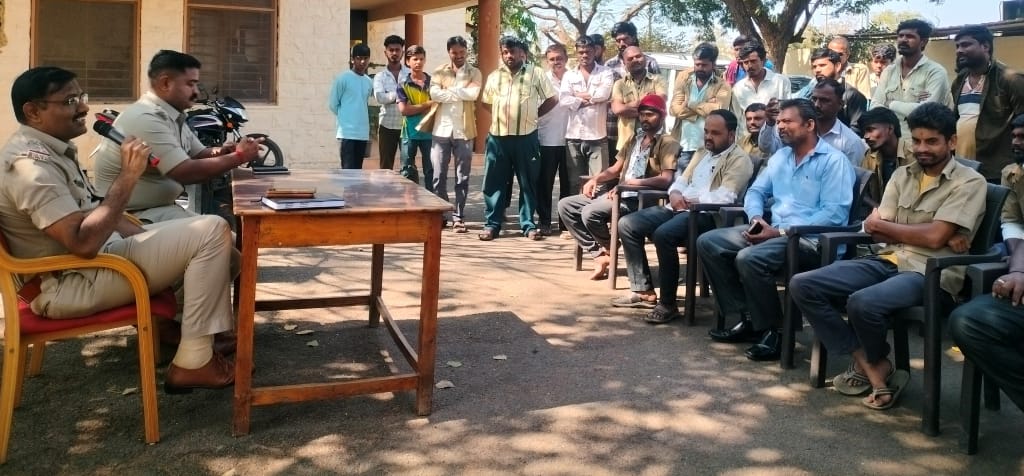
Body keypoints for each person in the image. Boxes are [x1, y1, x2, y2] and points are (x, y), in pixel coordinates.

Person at [2, 66, 236, 391]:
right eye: (70, 101)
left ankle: (179, 331)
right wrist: (128, 176)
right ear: (33, 111)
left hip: (93, 263)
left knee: (229, 251)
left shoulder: (53, 151)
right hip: (68, 284)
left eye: (81, 97)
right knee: (211, 230)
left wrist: (148, 238)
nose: (83, 107)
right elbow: (82, 243)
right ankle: (194, 361)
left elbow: (91, 212)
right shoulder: (31, 167)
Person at [789, 102, 986, 410]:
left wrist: (906, 230)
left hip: (930, 272)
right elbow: (875, 229)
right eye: (917, 140)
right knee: (803, 284)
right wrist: (924, 232)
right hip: (888, 258)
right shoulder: (903, 175)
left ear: (951, 142)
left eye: (932, 141)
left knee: (862, 302)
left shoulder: (970, 181)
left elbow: (932, 238)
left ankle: (872, 367)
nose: (922, 148)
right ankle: (871, 363)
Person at [698, 98, 854, 362]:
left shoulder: (833, 161)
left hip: (811, 242)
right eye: (779, 121)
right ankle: (750, 318)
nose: (780, 126)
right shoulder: (780, 157)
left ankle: (777, 332)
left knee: (749, 258)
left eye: (787, 121)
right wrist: (757, 218)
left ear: (809, 125)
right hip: (775, 233)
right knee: (710, 242)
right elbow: (756, 191)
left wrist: (782, 233)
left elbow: (834, 214)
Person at [613, 109, 753, 324]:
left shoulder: (739, 159)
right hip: (678, 208)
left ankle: (667, 304)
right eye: (706, 131)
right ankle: (643, 289)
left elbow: (725, 197)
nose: (708, 137)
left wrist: (688, 200)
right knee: (628, 224)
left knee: (664, 234)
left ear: (731, 135)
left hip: (707, 215)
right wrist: (676, 194)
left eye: (715, 133)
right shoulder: (701, 153)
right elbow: (680, 181)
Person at [91, 50, 263, 224]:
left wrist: (224, 152)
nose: (196, 92)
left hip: (160, 209)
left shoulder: (173, 116)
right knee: (217, 226)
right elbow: (186, 172)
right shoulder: (146, 118)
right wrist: (239, 156)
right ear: (166, 83)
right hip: (129, 217)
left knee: (229, 234)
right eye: (190, 84)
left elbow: (199, 154)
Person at [558, 94, 678, 280]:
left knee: (590, 213)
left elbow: (666, 179)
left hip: (639, 200)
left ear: (662, 116)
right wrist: (596, 179)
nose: (645, 119)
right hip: (619, 194)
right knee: (566, 205)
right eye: (642, 114)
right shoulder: (634, 139)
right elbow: (615, 169)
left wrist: (634, 183)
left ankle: (608, 248)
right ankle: (601, 253)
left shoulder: (668, 142)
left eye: (650, 115)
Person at [950, 114, 1024, 413]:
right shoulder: (1013, 173)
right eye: (1015, 136)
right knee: (968, 321)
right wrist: (1018, 266)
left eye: (1023, 137)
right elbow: (1013, 222)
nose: (1016, 143)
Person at [478, 36, 558, 241]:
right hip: (498, 138)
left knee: (528, 182)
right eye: (505, 52)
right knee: (494, 182)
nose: (509, 56)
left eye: (512, 51)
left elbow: (552, 99)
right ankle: (492, 224)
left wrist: (533, 115)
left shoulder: (536, 73)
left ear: (522, 53)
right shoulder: (494, 76)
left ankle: (528, 225)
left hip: (526, 137)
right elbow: (486, 103)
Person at [951, 24, 1024, 181]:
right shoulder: (959, 81)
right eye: (957, 46)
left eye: (966, 45)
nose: (959, 50)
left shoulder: (1010, 79)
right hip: (963, 166)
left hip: (997, 168)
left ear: (985, 46)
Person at [429, 36, 481, 233]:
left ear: (466, 51)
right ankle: (442, 215)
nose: (458, 56)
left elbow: (473, 94)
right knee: (438, 176)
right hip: (441, 130)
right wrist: (460, 92)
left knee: (462, 177)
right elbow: (434, 94)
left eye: (461, 52)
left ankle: (458, 217)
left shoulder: (474, 72)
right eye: (454, 52)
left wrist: (448, 91)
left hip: (464, 131)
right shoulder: (439, 71)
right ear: (448, 52)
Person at [870, 19, 953, 137]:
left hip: (921, 141)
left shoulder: (935, 72)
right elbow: (875, 106)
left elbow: (925, 113)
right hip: (891, 139)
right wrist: (912, 106)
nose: (903, 40)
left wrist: (891, 104)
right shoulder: (889, 71)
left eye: (910, 36)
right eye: (900, 36)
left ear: (923, 42)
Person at [760, 79, 867, 166]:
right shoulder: (795, 129)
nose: (817, 105)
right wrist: (769, 123)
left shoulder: (851, 142)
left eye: (824, 100)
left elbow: (850, 179)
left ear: (840, 104)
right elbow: (766, 147)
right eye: (814, 99)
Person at [561, 35, 616, 191]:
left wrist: (577, 96)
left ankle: (595, 208)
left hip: (597, 137)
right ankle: (576, 208)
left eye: (588, 51)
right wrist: (590, 99)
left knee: (598, 184)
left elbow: (604, 94)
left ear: (594, 51)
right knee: (575, 183)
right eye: (581, 52)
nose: (584, 55)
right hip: (573, 138)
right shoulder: (569, 75)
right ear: (576, 53)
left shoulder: (605, 72)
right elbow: (564, 99)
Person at [670, 42, 731, 171]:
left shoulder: (722, 85)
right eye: (697, 64)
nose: (700, 68)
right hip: (684, 147)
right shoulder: (685, 79)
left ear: (713, 65)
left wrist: (690, 104)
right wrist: (706, 105)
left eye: (704, 65)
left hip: (708, 148)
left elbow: (719, 111)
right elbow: (674, 109)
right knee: (679, 182)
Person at [537, 44, 573, 237]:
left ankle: (565, 224)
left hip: (571, 138)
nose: (556, 62)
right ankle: (544, 221)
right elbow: (535, 109)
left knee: (568, 184)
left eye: (559, 58)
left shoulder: (574, 77)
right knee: (545, 183)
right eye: (552, 59)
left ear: (566, 58)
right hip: (547, 138)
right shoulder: (541, 79)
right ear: (547, 61)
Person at [794, 47, 868, 133]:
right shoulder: (810, 93)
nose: (817, 70)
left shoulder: (852, 95)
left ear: (837, 66)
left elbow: (857, 130)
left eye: (822, 65)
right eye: (814, 67)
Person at [612, 45, 667, 157]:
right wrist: (643, 103)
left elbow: (659, 104)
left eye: (638, 56)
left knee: (653, 169)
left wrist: (627, 108)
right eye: (630, 58)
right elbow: (617, 109)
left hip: (654, 142)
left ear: (645, 58)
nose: (635, 60)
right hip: (626, 143)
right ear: (625, 63)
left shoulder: (658, 80)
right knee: (624, 169)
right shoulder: (619, 84)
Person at [328, 43, 373, 169]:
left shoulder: (368, 81)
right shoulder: (343, 78)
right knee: (348, 172)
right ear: (352, 59)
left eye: (365, 58)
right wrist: (346, 117)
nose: (362, 61)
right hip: (347, 133)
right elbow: (333, 104)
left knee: (358, 171)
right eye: (359, 58)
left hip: (362, 133)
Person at [858, 107, 913, 208]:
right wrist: (880, 210)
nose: (866, 136)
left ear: (890, 129)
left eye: (870, 130)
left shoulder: (914, 156)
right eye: (864, 132)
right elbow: (861, 190)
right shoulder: (870, 156)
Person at [396, 45, 435, 189]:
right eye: (415, 59)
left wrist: (414, 108)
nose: (418, 62)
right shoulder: (403, 84)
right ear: (407, 61)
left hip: (429, 133)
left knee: (431, 170)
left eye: (421, 59)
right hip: (409, 133)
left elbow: (437, 107)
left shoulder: (433, 83)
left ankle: (433, 201)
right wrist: (428, 104)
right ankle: (411, 201)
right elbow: (404, 110)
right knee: (407, 171)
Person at [373, 35, 409, 171]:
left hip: (406, 126)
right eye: (391, 50)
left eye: (397, 50)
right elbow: (380, 98)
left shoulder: (410, 74)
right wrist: (402, 94)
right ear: (385, 52)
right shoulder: (380, 76)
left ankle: (408, 186)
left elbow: (413, 97)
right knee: (385, 166)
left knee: (408, 165)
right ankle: (385, 186)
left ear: (402, 52)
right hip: (386, 126)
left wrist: (391, 95)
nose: (394, 53)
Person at [730, 41, 790, 119]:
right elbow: (736, 117)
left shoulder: (781, 82)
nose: (749, 66)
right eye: (746, 62)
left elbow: (788, 112)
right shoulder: (738, 88)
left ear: (763, 61)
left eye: (753, 61)